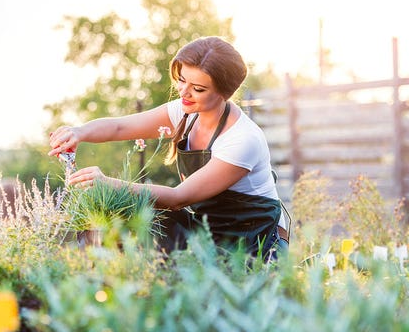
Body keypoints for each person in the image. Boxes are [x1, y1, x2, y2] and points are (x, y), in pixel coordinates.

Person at [48, 36, 289, 258]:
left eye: (198, 89)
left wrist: (108, 183)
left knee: (150, 220)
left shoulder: (242, 139)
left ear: (225, 93)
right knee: (128, 218)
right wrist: (78, 132)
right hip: (207, 228)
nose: (184, 92)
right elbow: (119, 128)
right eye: (182, 80)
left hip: (250, 243)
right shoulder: (185, 111)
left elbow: (177, 198)